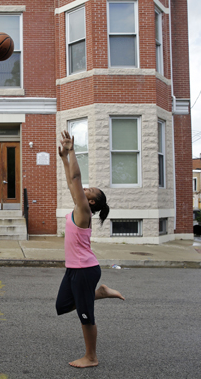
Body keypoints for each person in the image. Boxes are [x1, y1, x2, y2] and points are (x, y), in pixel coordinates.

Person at [55, 130, 125, 368]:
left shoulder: (84, 211)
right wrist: (64, 159)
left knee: (85, 315)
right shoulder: (80, 206)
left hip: (85, 270)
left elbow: (75, 179)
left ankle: (91, 357)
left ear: (92, 202)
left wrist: (72, 151)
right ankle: (101, 292)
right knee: (62, 305)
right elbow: (71, 181)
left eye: (89, 191)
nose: (84, 190)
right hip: (74, 269)